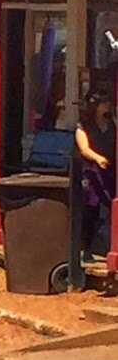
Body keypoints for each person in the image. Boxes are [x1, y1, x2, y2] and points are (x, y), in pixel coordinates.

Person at [76, 89, 116, 261]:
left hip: (110, 171)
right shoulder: (83, 126)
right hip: (91, 172)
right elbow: (84, 148)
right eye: (103, 103)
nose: (107, 105)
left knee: (109, 208)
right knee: (90, 209)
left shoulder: (112, 125)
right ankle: (84, 249)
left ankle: (106, 246)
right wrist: (98, 158)